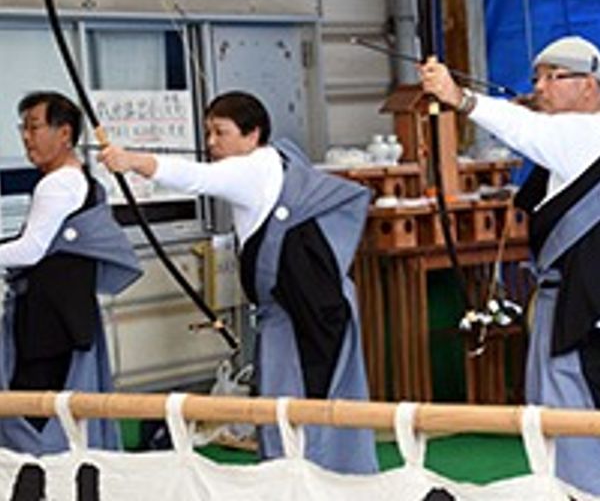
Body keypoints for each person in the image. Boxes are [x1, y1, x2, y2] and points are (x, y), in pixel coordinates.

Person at [99, 90, 378, 474]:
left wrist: (131, 160)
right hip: (311, 307)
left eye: (221, 132)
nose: (212, 143)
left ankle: (305, 483)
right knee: (312, 402)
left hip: (298, 315)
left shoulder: (252, 168)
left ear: (252, 135)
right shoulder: (281, 157)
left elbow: (197, 177)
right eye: (208, 133)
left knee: (295, 407)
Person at [419, 35, 600, 495]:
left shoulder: (586, 133)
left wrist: (459, 97)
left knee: (571, 418)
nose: (541, 88)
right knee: (556, 418)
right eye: (537, 78)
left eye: (555, 78)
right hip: (569, 306)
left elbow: (527, 131)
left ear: (591, 88)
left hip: (580, 313)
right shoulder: (569, 142)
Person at [0, 91, 141, 455]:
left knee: (33, 413)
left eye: (35, 127)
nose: (27, 138)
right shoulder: (83, 180)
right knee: (63, 408)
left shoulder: (58, 183)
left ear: (64, 134)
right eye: (23, 128)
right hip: (67, 316)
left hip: (48, 322)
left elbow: (31, 250)